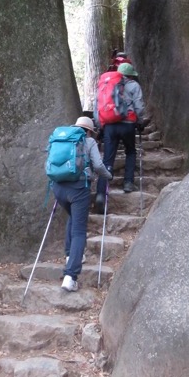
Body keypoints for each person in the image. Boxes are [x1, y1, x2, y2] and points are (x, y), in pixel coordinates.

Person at [51, 116, 112, 292]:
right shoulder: (89, 141)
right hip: (78, 189)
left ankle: (71, 255)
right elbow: (98, 165)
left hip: (58, 187)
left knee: (73, 216)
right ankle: (70, 276)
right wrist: (108, 176)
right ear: (89, 131)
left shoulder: (62, 138)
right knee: (79, 231)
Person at [95, 62, 145, 212]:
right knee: (130, 151)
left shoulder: (106, 83)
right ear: (130, 75)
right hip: (128, 124)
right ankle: (128, 182)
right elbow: (139, 106)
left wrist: (100, 126)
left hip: (110, 125)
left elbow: (97, 106)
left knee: (107, 159)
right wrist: (140, 122)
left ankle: (100, 193)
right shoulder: (133, 86)